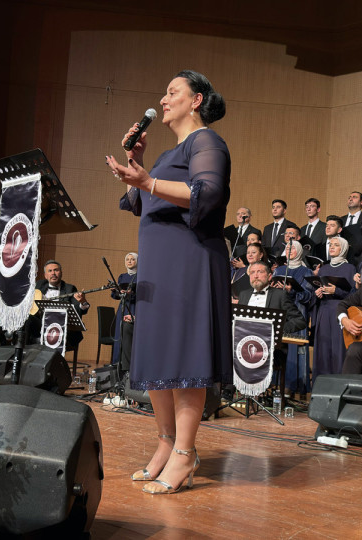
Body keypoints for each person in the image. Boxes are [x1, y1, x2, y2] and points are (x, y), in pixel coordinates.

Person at [108, 69, 230, 495]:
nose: (163, 99)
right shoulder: (166, 154)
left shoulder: (206, 141)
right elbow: (139, 200)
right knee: (159, 356)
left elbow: (208, 193)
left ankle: (185, 451)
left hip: (189, 261)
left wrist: (148, 180)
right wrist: (139, 166)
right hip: (159, 267)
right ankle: (165, 443)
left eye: (172, 92)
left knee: (184, 356)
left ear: (196, 100)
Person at [235, 261, 307, 410]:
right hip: (244, 345)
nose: (255, 275)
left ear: (269, 276)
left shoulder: (280, 295)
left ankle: (255, 394)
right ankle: (230, 393)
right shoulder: (244, 294)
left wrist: (277, 329)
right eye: (252, 272)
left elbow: (300, 321)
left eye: (259, 272)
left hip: (271, 348)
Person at [273, 240, 315, 397]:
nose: (289, 250)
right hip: (279, 310)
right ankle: (274, 384)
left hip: (296, 313)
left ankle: (291, 385)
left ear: (299, 251)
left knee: (293, 349)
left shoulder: (306, 272)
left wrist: (291, 291)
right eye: (287, 248)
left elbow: (309, 296)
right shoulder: (280, 270)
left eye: (293, 248)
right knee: (277, 347)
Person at [312, 236, 356, 377]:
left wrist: (336, 291)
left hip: (340, 311)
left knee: (338, 349)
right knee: (323, 348)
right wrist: (318, 293)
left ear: (343, 248)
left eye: (336, 245)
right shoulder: (323, 269)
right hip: (324, 310)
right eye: (330, 244)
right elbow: (319, 289)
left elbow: (353, 295)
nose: (331, 247)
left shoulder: (350, 268)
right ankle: (321, 383)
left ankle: (338, 383)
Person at [33, 260, 90, 349]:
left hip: (62, 326)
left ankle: (55, 357)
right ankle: (21, 354)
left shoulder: (70, 288)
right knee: (28, 320)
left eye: (56, 270)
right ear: (45, 275)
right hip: (42, 324)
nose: (53, 273)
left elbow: (78, 309)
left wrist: (82, 301)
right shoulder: (39, 285)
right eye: (50, 271)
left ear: (61, 273)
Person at [111, 252, 138, 366]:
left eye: (133, 259)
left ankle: (129, 366)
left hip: (134, 308)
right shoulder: (122, 276)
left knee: (130, 337)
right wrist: (116, 291)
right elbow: (115, 296)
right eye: (127, 259)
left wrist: (131, 293)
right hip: (122, 308)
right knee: (119, 335)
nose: (130, 261)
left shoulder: (141, 276)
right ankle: (117, 363)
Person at [341, 191, 362, 264]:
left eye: (354, 197)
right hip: (341, 257)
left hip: (360, 258)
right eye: (349, 197)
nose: (350, 199)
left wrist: (353, 249)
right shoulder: (341, 220)